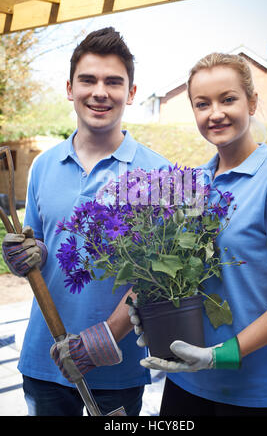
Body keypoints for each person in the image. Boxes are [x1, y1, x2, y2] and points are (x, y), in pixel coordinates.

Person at [1, 27, 170, 416]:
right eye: (88, 80)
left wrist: (105, 338)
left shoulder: (158, 173)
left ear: (130, 93)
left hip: (117, 371)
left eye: (113, 82)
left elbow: (159, 279)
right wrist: (27, 255)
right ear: (69, 87)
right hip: (44, 361)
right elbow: (41, 248)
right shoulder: (44, 165)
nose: (99, 92)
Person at [133, 52, 267, 416]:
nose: (215, 113)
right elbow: (186, 275)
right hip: (184, 381)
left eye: (228, 99)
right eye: (202, 104)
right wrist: (149, 309)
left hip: (251, 392)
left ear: (252, 102)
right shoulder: (194, 184)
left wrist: (217, 356)